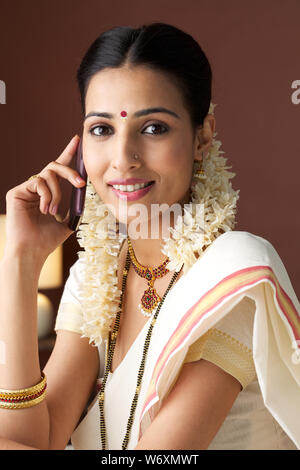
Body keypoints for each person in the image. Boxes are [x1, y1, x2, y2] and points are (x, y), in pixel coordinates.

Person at [0, 22, 299, 451]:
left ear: (203, 136)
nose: (123, 159)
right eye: (102, 129)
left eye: (154, 127)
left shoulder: (234, 277)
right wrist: (20, 262)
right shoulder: (98, 275)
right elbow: (31, 438)